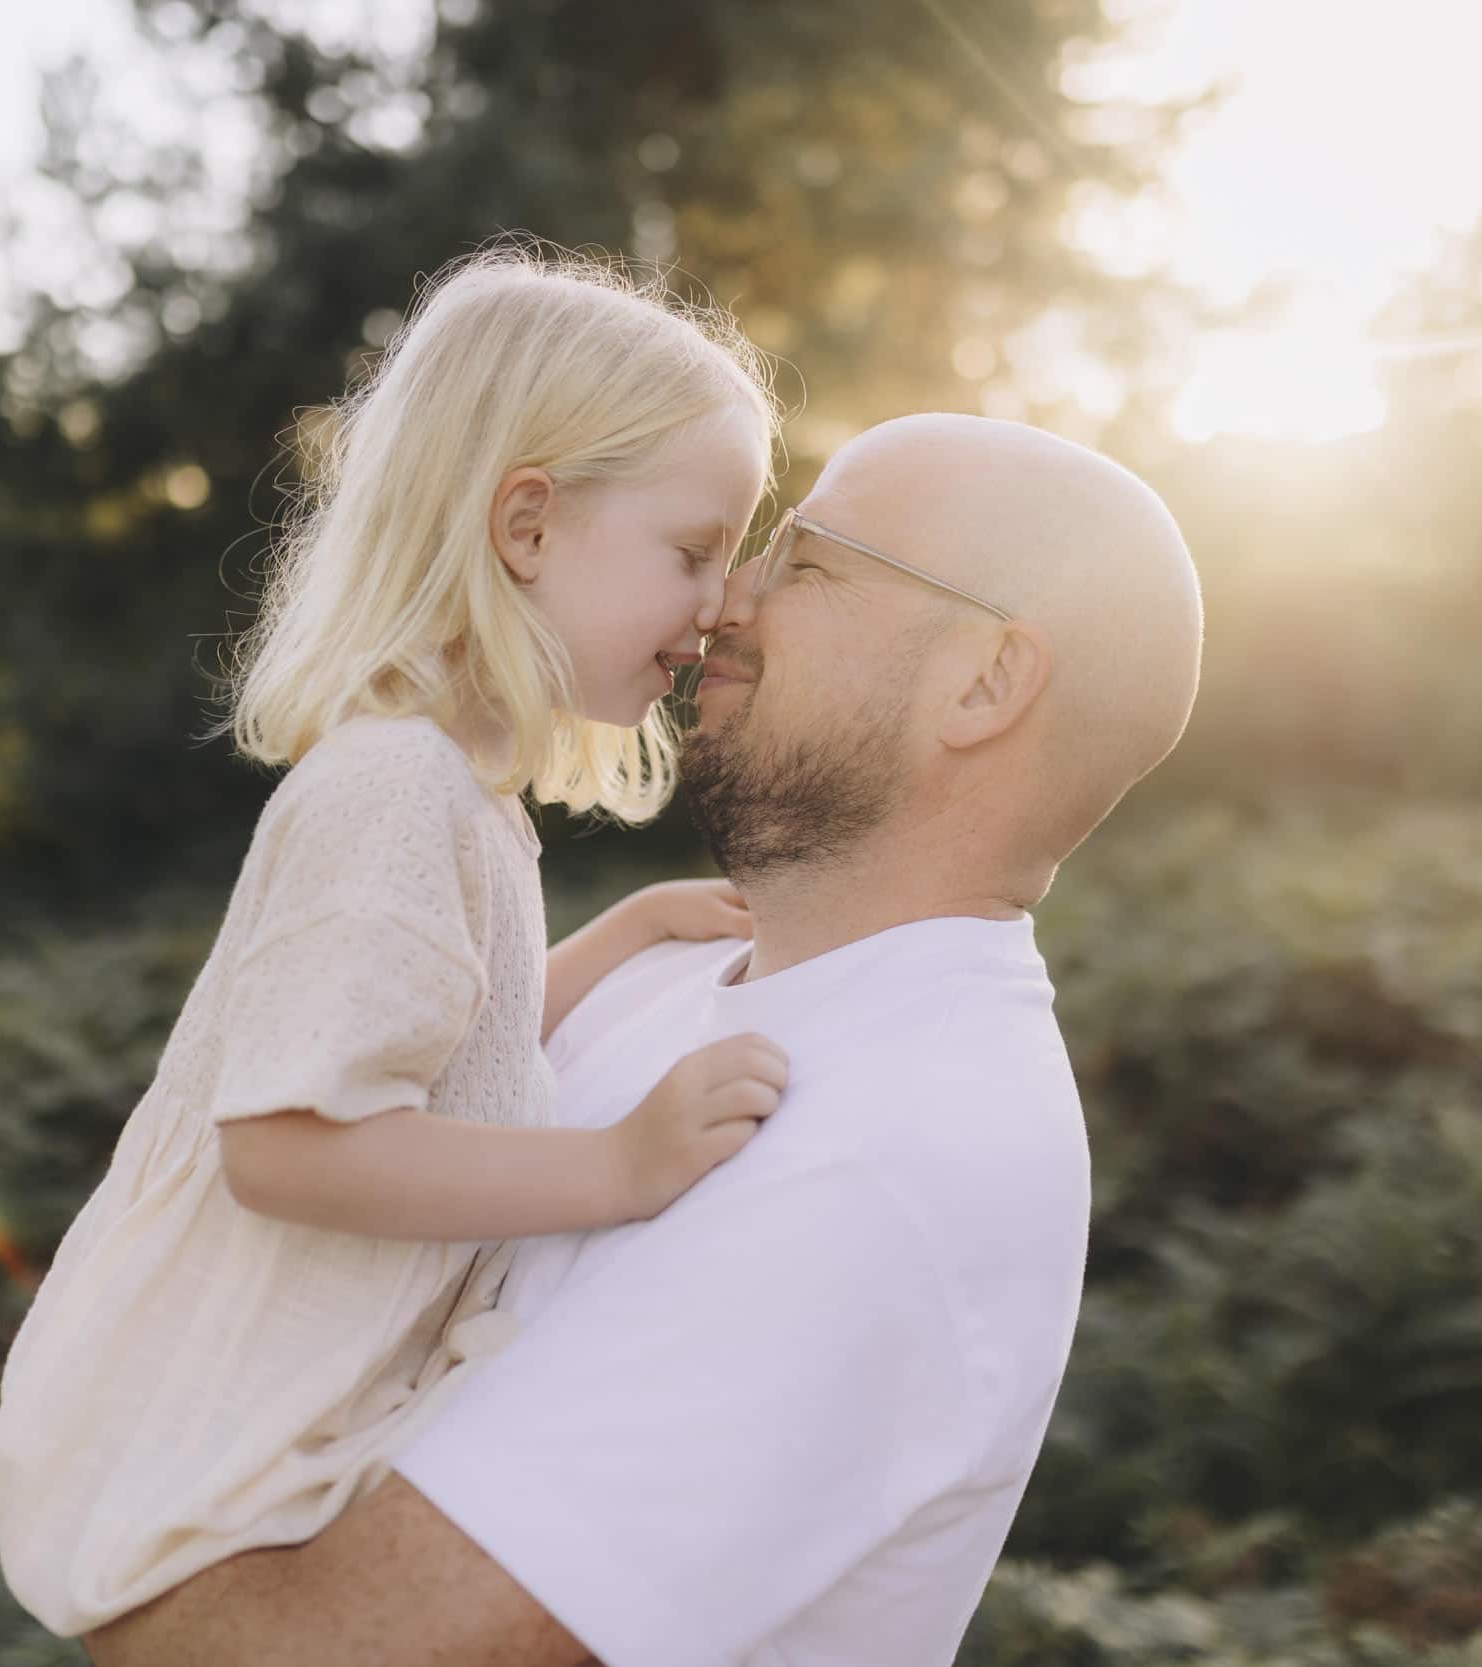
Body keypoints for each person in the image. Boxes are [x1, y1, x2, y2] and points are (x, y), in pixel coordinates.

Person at [80, 411, 1206, 1667]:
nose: (725, 601)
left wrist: (98, 1501)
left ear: (984, 681)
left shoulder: (896, 1154)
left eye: (806, 561)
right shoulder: (660, 981)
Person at [0, 246, 797, 1639]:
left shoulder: (465, 798)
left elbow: (446, 1055)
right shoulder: (394, 790)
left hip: (262, 1464)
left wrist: (622, 935)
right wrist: (617, 1164)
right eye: (691, 550)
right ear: (527, 526)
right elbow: (290, 1142)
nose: (720, 603)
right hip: (206, 1473)